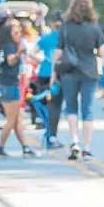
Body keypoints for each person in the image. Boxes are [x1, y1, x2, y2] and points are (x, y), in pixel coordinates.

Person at [50, 0, 104, 160]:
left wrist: (54, 73)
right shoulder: (94, 26)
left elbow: (58, 52)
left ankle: (74, 143)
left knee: (71, 108)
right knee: (87, 110)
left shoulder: (65, 26)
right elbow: (101, 50)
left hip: (69, 71)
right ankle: (86, 147)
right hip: (89, 71)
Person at [0, 24, 36, 157]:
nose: (19, 35)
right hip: (9, 85)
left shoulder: (1, 47)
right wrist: (20, 52)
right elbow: (11, 61)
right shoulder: (10, 47)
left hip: (3, 84)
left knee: (17, 119)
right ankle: (0, 147)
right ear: (9, 34)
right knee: (11, 120)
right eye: (16, 33)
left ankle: (25, 147)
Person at [33, 11, 64, 149]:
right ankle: (52, 136)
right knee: (55, 106)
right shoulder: (64, 39)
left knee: (43, 102)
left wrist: (42, 60)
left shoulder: (46, 38)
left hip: (43, 72)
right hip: (57, 74)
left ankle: (42, 122)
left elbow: (32, 52)